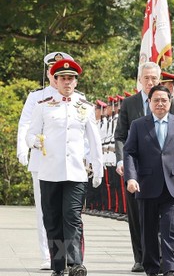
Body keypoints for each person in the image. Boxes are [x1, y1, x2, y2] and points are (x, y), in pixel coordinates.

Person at [26, 58, 103, 276]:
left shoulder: (85, 108)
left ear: (76, 82)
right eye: (63, 79)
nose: (67, 82)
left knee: (72, 217)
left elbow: (94, 140)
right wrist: (34, 142)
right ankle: (58, 266)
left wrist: (98, 168)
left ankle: (75, 262)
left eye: (71, 79)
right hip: (49, 172)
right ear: (56, 81)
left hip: (75, 172)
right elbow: (30, 133)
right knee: (52, 220)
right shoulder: (43, 107)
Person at [124, 85, 174, 276]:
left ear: (170, 101)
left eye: (164, 100)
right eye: (155, 100)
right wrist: (131, 178)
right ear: (149, 103)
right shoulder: (139, 125)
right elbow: (130, 153)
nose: (160, 103)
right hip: (147, 186)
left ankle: (171, 270)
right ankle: (152, 269)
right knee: (148, 233)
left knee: (170, 231)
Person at [16, 51, 74, 270]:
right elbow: (25, 124)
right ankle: (51, 255)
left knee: (69, 213)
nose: (55, 74)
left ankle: (70, 255)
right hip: (43, 161)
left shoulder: (76, 97)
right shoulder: (36, 97)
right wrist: (23, 147)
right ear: (50, 73)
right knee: (46, 211)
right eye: (52, 70)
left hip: (69, 164)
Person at [115, 61, 162, 273]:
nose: (150, 82)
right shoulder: (129, 103)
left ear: (159, 80)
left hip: (160, 168)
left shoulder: (166, 101)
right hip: (135, 167)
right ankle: (140, 257)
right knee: (136, 214)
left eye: (154, 78)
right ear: (140, 79)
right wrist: (121, 160)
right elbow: (120, 136)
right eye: (146, 78)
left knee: (159, 214)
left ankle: (159, 256)